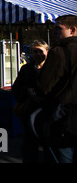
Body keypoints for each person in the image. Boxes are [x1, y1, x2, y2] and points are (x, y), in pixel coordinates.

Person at [35, 15, 77, 163]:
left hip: (62, 117)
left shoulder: (59, 52)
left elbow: (44, 85)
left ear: (72, 30)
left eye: (59, 29)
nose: (55, 32)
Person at [12, 40, 49, 163]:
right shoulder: (26, 69)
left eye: (40, 51)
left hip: (48, 111)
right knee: (29, 144)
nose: (38, 54)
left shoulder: (52, 68)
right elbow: (16, 87)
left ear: (47, 52)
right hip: (29, 110)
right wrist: (27, 91)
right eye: (35, 52)